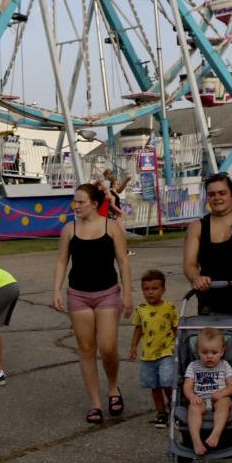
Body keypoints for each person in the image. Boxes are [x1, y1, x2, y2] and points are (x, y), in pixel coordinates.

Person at [182, 173, 232, 417]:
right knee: (213, 363)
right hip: (211, 304)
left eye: (222, 193)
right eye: (212, 194)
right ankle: (216, 407)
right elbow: (189, 263)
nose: (217, 198)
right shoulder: (198, 226)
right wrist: (195, 278)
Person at [53, 183, 133, 423]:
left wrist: (128, 295)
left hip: (107, 292)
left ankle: (112, 388)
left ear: (95, 204)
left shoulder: (112, 227)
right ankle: (96, 403)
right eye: (74, 202)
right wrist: (56, 289)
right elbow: (61, 261)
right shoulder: (69, 229)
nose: (75, 206)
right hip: (78, 294)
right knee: (86, 349)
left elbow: (123, 262)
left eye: (80, 202)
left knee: (107, 347)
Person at [127, 269, 179, 428]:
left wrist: (180, 347)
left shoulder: (170, 308)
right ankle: (161, 412)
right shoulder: (141, 309)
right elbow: (138, 329)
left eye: (154, 289)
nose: (150, 293)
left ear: (163, 289)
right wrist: (133, 347)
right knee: (154, 385)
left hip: (166, 352)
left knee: (167, 381)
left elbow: (177, 329)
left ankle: (173, 406)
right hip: (148, 355)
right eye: (146, 289)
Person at [182, 326, 232, 458]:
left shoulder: (225, 365)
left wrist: (222, 393)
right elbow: (187, 386)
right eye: (204, 352)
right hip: (200, 400)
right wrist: (192, 397)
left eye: (214, 352)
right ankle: (196, 441)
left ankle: (216, 433)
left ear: (222, 352)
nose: (209, 356)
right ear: (198, 352)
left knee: (224, 403)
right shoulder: (193, 366)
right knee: (193, 408)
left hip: (220, 398)